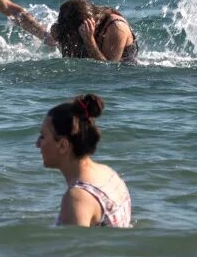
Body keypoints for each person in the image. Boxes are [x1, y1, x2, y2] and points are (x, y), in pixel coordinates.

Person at [35, 93, 131, 228]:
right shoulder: (107, 173)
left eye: (42, 136)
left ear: (63, 146)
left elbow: (75, 248)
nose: (37, 144)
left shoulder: (77, 198)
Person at [50, 0, 138, 62]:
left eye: (75, 34)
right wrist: (61, 39)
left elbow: (110, 70)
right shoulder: (64, 28)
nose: (72, 37)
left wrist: (89, 40)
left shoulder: (116, 28)